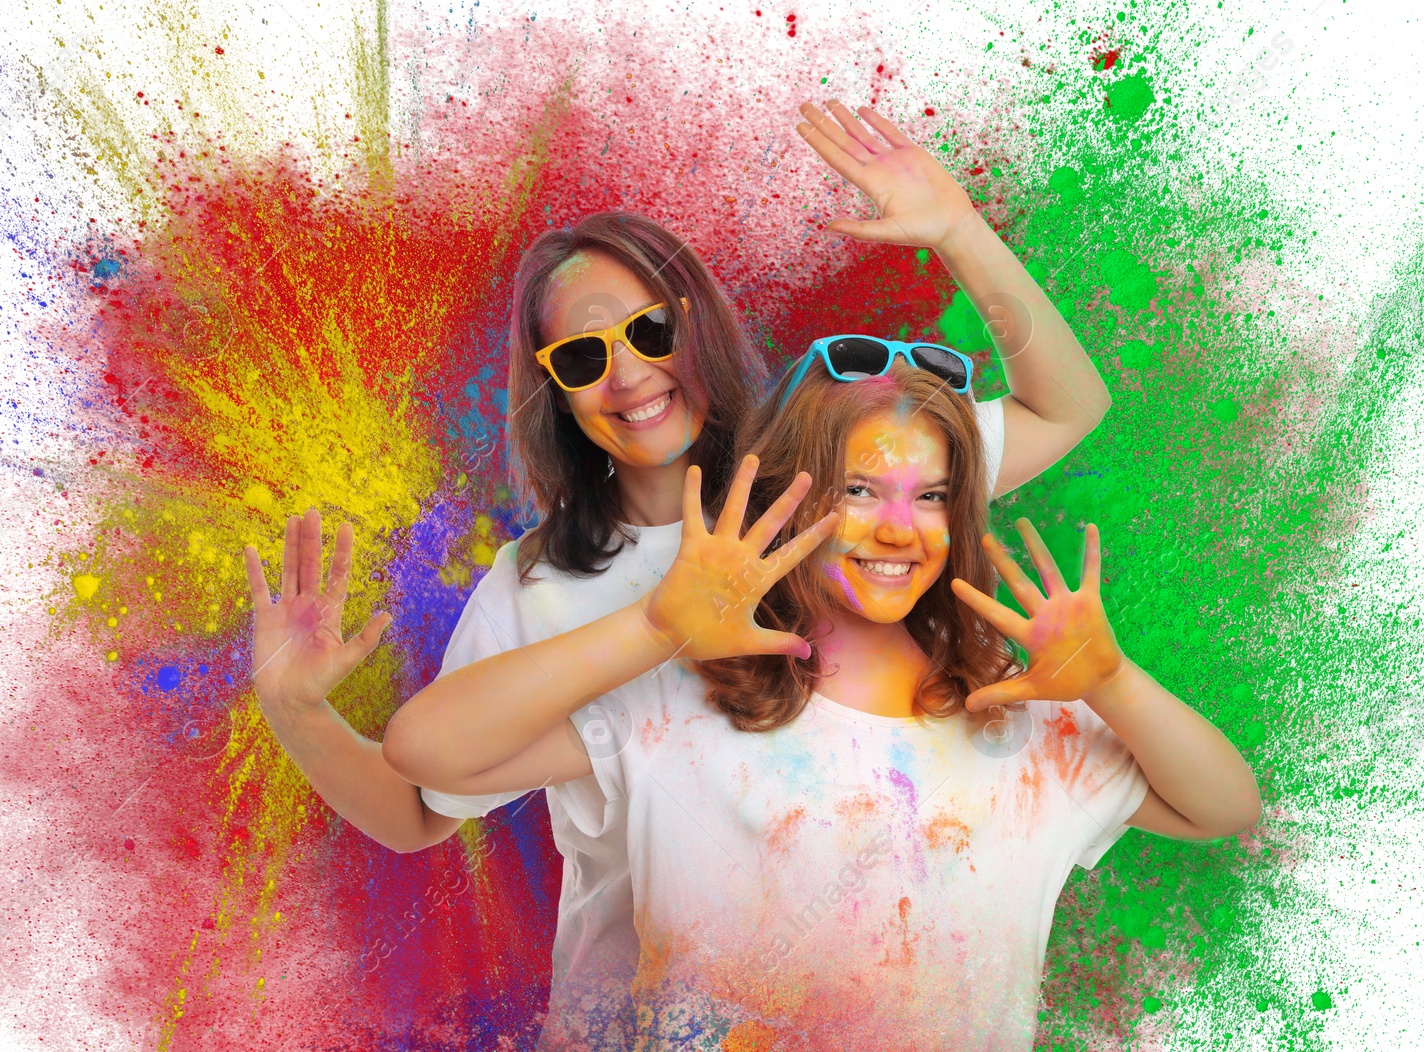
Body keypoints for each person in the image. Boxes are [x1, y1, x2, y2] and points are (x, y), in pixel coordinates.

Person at [242, 100, 1114, 1048]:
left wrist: (956, 230)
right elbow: (417, 812)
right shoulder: (537, 589)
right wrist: (297, 712)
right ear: (557, 393)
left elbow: (1065, 410)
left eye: (650, 332)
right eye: (583, 356)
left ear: (692, 324)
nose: (628, 376)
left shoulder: (833, 487)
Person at [380, 359, 1262, 1051]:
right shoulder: (683, 704)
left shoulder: (1016, 718)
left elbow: (1224, 806)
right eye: (858, 491)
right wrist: (652, 629)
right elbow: (426, 750)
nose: (896, 528)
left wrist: (1113, 684)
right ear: (784, 502)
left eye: (930, 497)